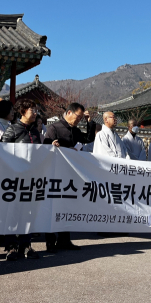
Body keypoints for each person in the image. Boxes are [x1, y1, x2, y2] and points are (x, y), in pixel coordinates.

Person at [43, 102, 95, 252]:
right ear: (69, 112)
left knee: (66, 207)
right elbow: (46, 147)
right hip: (54, 173)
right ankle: (50, 241)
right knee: (52, 207)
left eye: (81, 117)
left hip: (69, 174)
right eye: (78, 116)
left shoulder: (76, 130)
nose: (79, 119)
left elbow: (88, 139)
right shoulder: (54, 128)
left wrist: (89, 122)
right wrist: (60, 147)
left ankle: (64, 240)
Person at [0, 98, 42, 260]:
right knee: (12, 213)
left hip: (31, 179)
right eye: (32, 110)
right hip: (14, 179)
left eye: (36, 110)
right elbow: (1, 151)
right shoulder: (12, 130)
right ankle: (11, 247)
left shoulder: (35, 131)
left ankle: (26, 245)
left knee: (28, 213)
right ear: (23, 111)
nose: (35, 113)